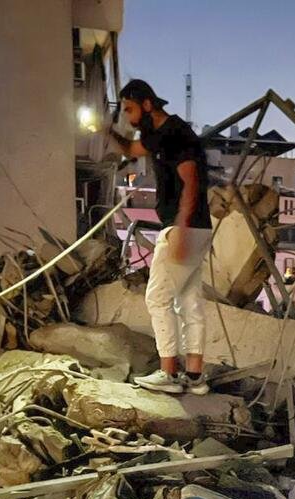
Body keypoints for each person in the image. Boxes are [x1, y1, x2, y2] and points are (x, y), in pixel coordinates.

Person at [108, 79, 214, 395]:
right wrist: (105, 131)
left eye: (130, 109)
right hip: (199, 228)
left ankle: (169, 373)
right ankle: (194, 376)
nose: (128, 117)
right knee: (189, 301)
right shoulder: (161, 135)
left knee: (157, 298)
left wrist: (180, 228)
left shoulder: (174, 135)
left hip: (183, 228)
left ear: (147, 105)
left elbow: (191, 181)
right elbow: (132, 149)